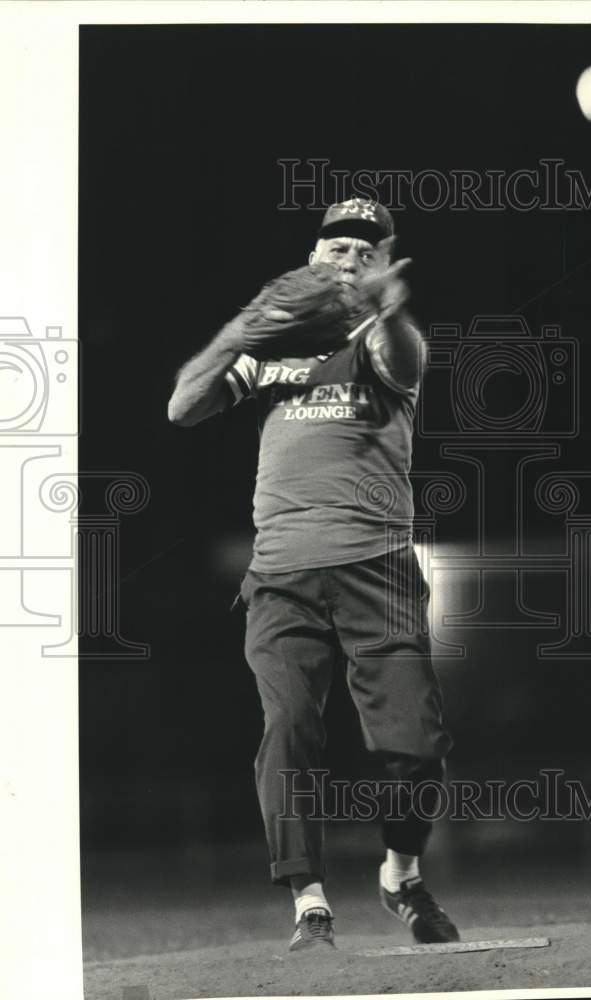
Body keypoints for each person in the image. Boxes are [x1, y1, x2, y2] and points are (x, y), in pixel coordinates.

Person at [168, 198, 459, 952]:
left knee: (415, 746)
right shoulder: (271, 352)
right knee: (289, 728)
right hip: (282, 574)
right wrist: (242, 330)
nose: (348, 259)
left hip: (377, 570)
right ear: (310, 259)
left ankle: (399, 873)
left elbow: (405, 359)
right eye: (335, 246)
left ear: (382, 262)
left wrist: (389, 311)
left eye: (365, 249)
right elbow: (183, 407)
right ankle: (310, 901)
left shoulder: (385, 342)